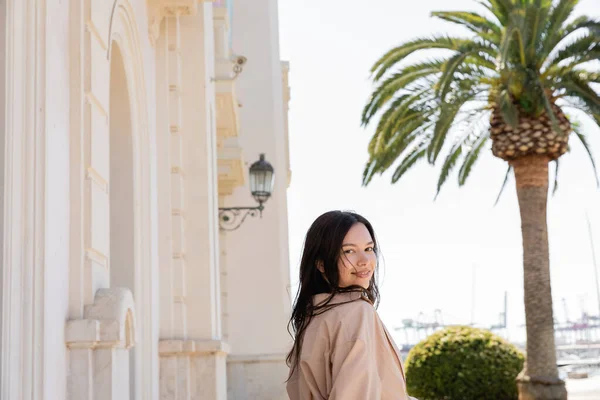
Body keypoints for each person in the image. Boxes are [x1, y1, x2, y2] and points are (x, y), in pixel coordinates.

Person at [286, 211, 415, 399]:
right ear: (321, 263)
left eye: (369, 249)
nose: (364, 261)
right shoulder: (356, 313)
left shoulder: (313, 317)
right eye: (349, 251)